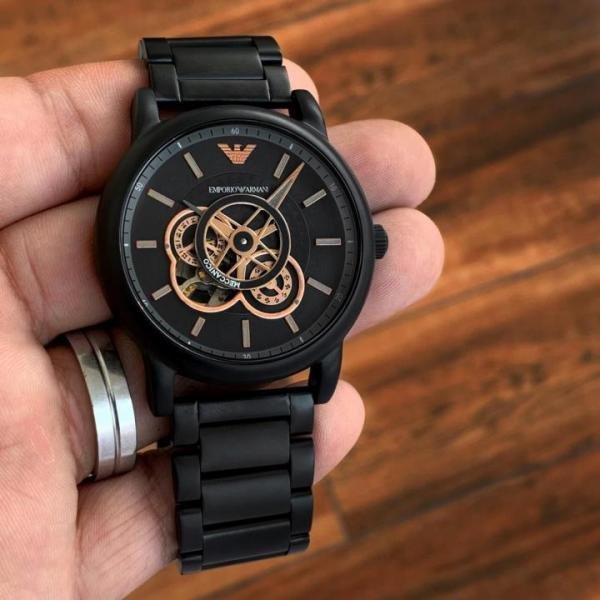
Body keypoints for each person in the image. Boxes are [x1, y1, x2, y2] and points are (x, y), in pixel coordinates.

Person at [0, 58, 443, 598]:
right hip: (186, 347)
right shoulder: (230, 144)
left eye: (251, 241)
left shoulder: (211, 138)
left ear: (367, 245)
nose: (244, 243)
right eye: (238, 239)